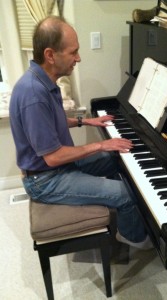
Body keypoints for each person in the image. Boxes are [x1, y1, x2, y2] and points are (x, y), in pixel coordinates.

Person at [9, 16, 152, 250]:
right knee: (126, 193)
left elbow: (51, 121)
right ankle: (135, 238)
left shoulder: (43, 79)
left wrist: (86, 121)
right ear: (50, 55)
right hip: (45, 179)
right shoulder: (33, 94)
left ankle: (125, 210)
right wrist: (100, 145)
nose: (78, 58)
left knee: (117, 158)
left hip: (54, 169)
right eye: (73, 52)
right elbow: (53, 157)